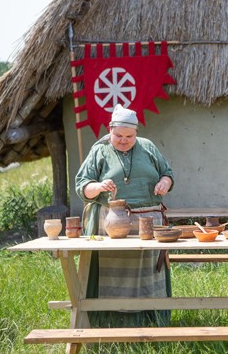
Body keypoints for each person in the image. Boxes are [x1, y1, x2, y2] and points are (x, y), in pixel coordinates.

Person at [75, 104, 174, 328]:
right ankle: (110, 322)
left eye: (129, 136)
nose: (123, 140)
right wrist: (99, 186)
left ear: (136, 132)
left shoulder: (147, 147)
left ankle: (150, 324)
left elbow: (167, 173)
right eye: (118, 135)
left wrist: (163, 184)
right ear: (110, 129)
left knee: (146, 275)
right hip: (110, 223)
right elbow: (82, 187)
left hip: (148, 224)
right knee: (114, 273)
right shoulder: (99, 151)